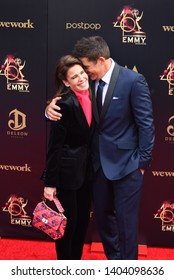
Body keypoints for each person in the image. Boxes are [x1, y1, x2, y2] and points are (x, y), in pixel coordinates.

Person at [45, 36, 155, 260]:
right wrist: (47, 110)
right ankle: (114, 263)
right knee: (104, 221)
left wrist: (141, 163)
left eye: (85, 67)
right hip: (97, 168)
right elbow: (68, 105)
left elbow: (146, 124)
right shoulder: (89, 82)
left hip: (128, 167)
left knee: (126, 223)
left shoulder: (133, 81)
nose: (83, 73)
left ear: (100, 60)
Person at [43, 54, 93, 260]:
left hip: (88, 172)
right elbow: (54, 146)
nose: (81, 78)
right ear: (66, 82)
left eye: (82, 73)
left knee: (82, 223)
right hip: (67, 175)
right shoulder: (63, 104)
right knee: (68, 226)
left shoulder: (95, 95)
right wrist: (50, 183)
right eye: (74, 77)